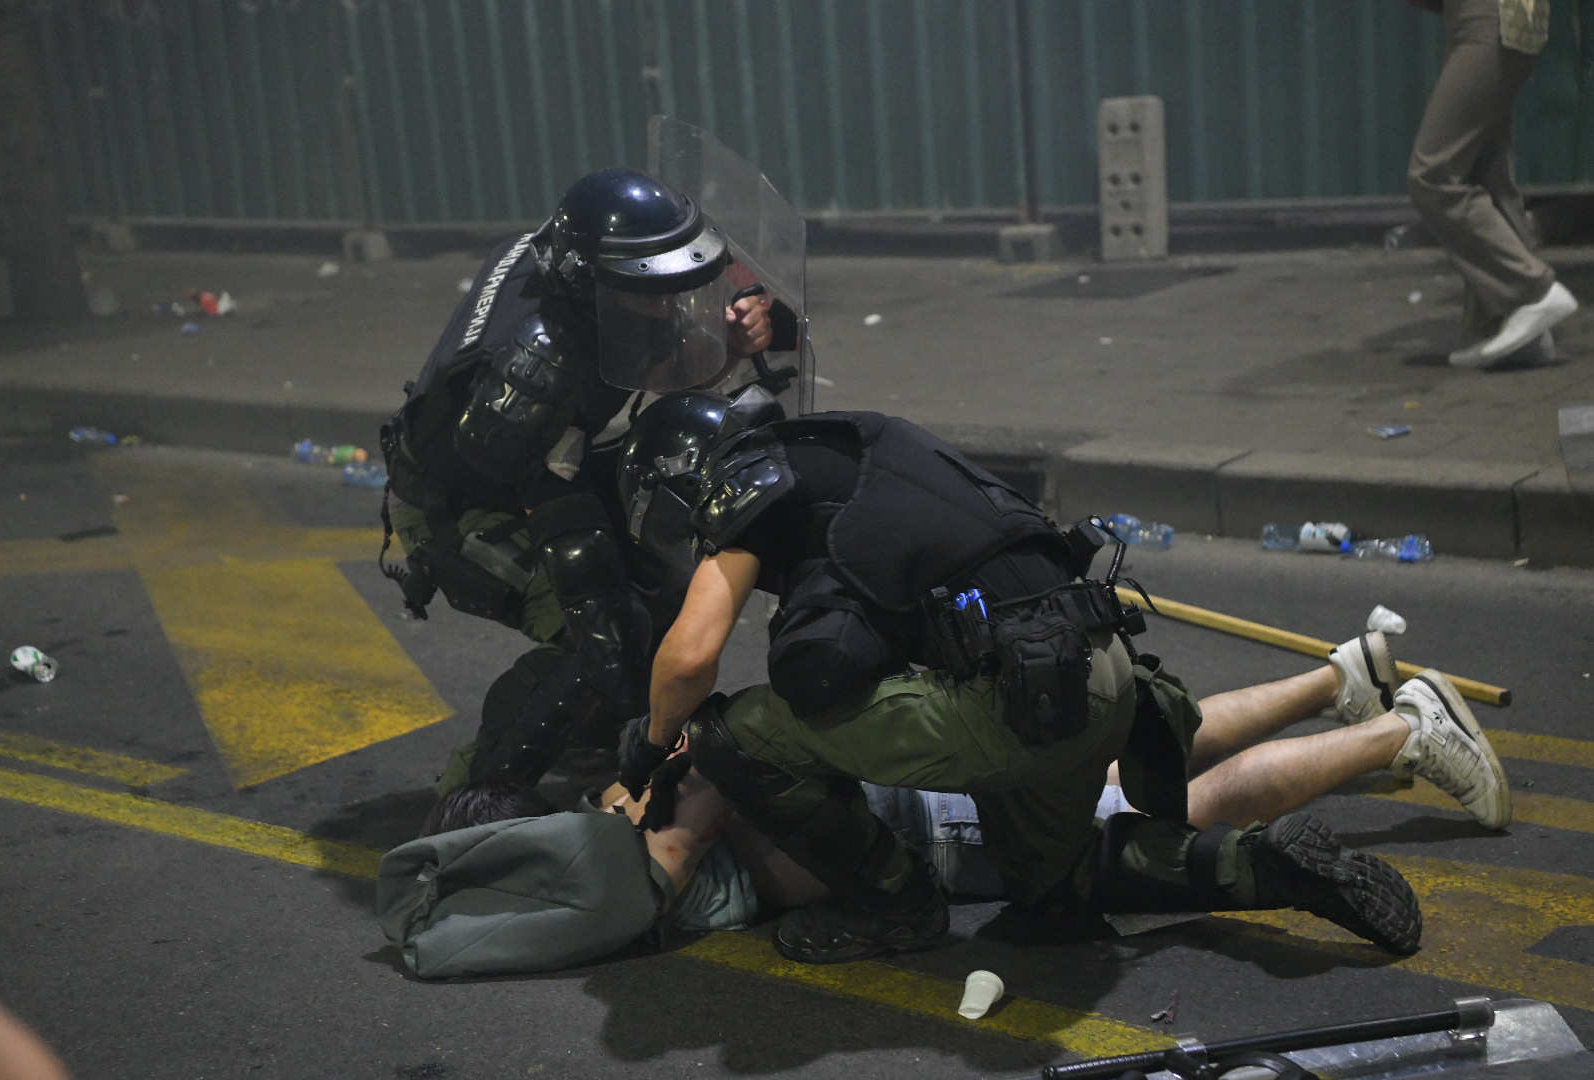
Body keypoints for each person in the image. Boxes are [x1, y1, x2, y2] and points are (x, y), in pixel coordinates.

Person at [614, 391, 1433, 964]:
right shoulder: (861, 456)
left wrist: (655, 749)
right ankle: (1269, 868)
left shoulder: (751, 485)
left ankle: (893, 907)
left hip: (1014, 702)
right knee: (1058, 892)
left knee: (735, 732)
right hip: (1099, 676)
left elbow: (690, 658)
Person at [376, 625, 1510, 977]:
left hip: (929, 816)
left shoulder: (648, 827)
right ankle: (1352, 676)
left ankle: (1399, 728)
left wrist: (653, 840)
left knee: (1169, 798)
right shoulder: (634, 807)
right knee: (1139, 757)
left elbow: (697, 813)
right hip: (919, 801)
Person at [376, 167, 784, 829]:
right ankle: (476, 800)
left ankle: (603, 728)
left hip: (535, 463)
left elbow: (659, 349)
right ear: (600, 288)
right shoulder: (537, 367)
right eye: (656, 291)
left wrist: (737, 328)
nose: (672, 300)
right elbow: (530, 485)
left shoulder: (571, 267)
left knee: (655, 581)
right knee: (593, 634)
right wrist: (608, 638)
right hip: (459, 504)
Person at [1406, 0, 1578, 368]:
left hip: (1489, 16)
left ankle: (1532, 291)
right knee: (1488, 173)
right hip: (1486, 18)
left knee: (1434, 174)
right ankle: (1511, 330)